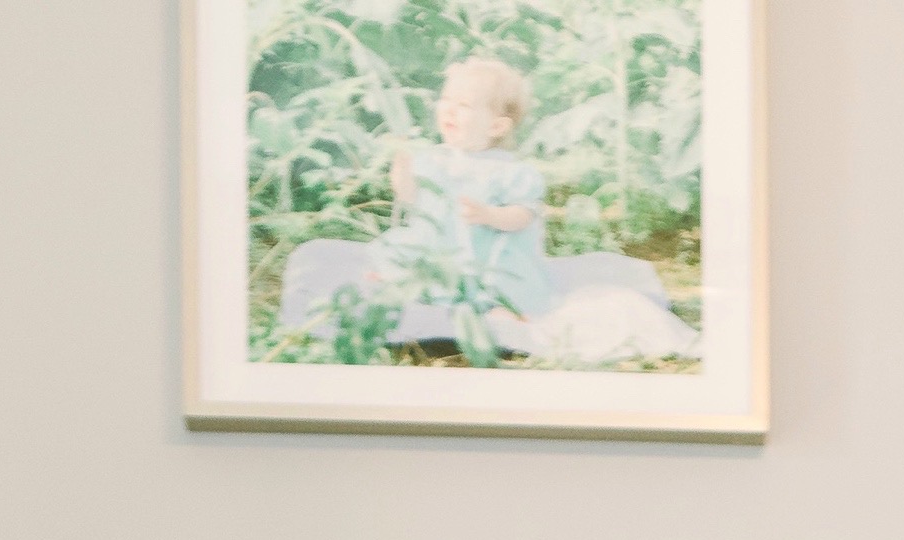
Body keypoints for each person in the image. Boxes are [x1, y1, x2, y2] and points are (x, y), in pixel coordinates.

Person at [278, 55, 702, 374]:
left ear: (497, 126)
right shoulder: (434, 159)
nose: (448, 111)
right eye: (446, 101)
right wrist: (402, 174)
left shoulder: (513, 173)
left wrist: (489, 215)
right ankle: (410, 284)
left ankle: (498, 310)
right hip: (438, 247)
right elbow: (410, 200)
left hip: (490, 255)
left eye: (463, 105)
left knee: (496, 288)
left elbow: (523, 217)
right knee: (404, 263)